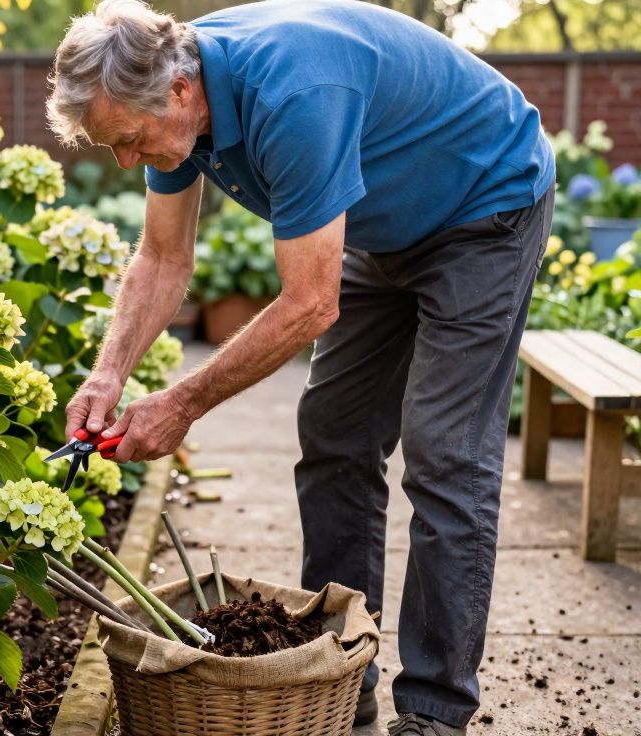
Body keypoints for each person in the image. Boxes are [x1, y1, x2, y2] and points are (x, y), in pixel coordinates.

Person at [49, 1, 554, 733]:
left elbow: (310, 303)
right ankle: (343, 674)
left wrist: (183, 403)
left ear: (181, 93)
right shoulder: (169, 106)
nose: (127, 161)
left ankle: (436, 709)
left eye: (127, 139)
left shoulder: (291, 94)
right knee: (335, 434)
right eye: (111, 147)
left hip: (486, 206)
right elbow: (162, 256)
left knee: (446, 451)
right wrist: (107, 375)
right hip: (385, 226)